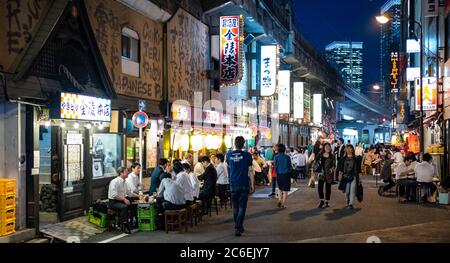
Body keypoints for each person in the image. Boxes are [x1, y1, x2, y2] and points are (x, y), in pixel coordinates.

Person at [226, 136, 255, 237]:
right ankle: (238, 227)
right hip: (244, 183)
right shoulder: (247, 155)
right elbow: (250, 171)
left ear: (234, 143)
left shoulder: (228, 155)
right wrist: (252, 184)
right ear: (243, 144)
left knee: (235, 206)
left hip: (233, 183)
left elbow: (229, 168)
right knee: (242, 206)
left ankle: (238, 226)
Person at [108, 167, 136, 233]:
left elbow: (129, 193)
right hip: (113, 202)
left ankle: (132, 222)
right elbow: (114, 195)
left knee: (134, 203)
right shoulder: (115, 181)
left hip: (121, 200)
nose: (128, 173)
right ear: (121, 173)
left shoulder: (125, 182)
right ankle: (125, 225)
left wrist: (139, 196)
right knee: (124, 207)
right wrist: (124, 199)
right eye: (126, 172)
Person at [338, 145, 359, 209]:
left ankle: (351, 204)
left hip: (353, 176)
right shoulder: (343, 158)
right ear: (346, 150)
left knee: (352, 190)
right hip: (345, 176)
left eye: (350, 148)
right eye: (348, 148)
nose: (349, 150)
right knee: (347, 191)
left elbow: (359, 169)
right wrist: (339, 176)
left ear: (352, 150)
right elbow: (340, 168)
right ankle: (348, 200)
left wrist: (360, 178)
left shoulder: (356, 158)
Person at [316, 143, 335, 208]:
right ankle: (321, 201)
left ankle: (327, 201)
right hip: (321, 174)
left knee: (328, 188)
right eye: (326, 147)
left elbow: (334, 165)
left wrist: (332, 169)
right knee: (320, 187)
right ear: (324, 148)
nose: (328, 148)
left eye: (329, 147)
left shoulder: (332, 156)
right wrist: (315, 170)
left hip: (328, 174)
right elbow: (316, 162)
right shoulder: (320, 155)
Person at [274, 144, 292, 209]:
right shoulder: (287, 157)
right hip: (286, 175)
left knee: (280, 188)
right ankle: (283, 204)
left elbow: (276, 166)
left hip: (279, 174)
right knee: (285, 191)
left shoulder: (276, 157)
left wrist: (276, 173)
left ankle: (279, 200)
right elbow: (290, 166)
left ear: (278, 149)